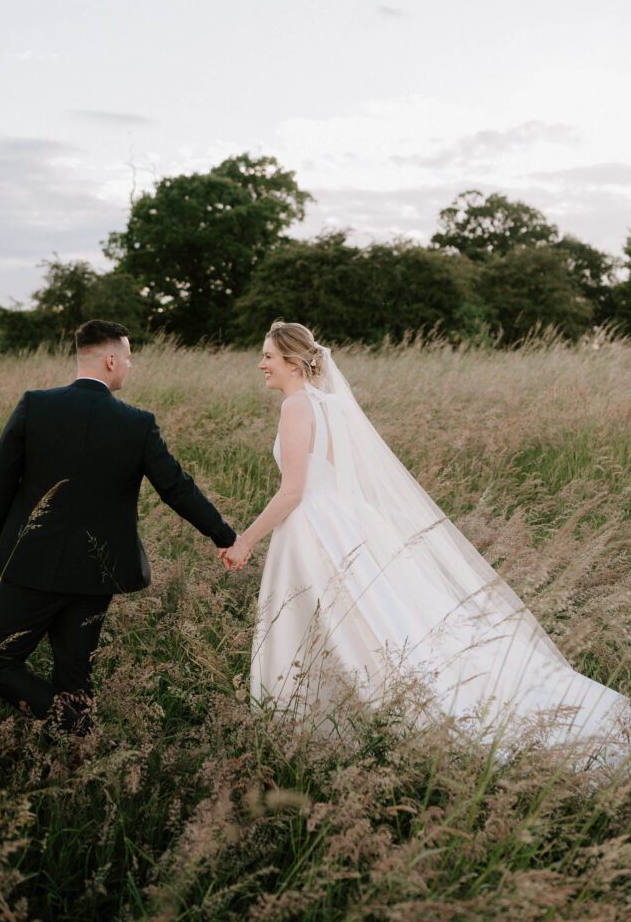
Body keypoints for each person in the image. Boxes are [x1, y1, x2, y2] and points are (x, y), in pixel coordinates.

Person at [225, 321, 631, 757]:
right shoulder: (334, 407)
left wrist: (245, 540)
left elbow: (293, 490)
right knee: (372, 619)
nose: (261, 364)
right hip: (348, 520)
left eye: (267, 356)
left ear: (291, 361)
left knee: (331, 621)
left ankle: (314, 724)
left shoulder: (296, 407)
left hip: (312, 527)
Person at [0, 319, 248, 735]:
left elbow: (0, 480)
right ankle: (78, 735)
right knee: (74, 676)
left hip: (30, 562)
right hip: (96, 573)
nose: (129, 366)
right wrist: (227, 537)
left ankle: (73, 734)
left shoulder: (36, 404)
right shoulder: (136, 423)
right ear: (110, 360)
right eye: (128, 358)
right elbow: (177, 489)